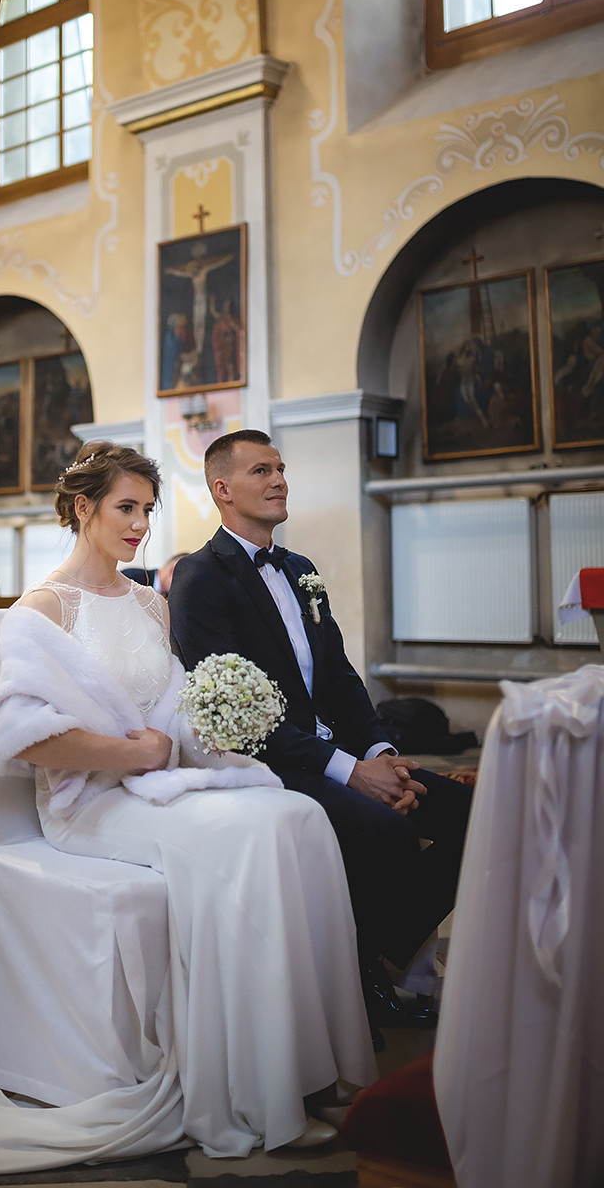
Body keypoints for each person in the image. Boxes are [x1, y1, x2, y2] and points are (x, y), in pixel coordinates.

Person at [0, 441, 375, 1177]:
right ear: (83, 508)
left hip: (161, 785)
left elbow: (171, 714)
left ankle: (304, 1074)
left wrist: (214, 723)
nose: (141, 524)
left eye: (148, 509)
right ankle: (249, 1095)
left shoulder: (152, 602)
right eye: (126, 508)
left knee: (297, 817)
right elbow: (20, 740)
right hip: (89, 802)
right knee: (244, 839)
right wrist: (131, 755)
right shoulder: (41, 611)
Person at [168, 430, 473, 1044]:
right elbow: (239, 715)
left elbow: (339, 676)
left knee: (473, 813)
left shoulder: (300, 569)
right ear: (222, 489)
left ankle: (363, 957)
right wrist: (351, 771)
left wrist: (381, 754)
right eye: (261, 471)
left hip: (337, 751)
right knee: (387, 833)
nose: (279, 480)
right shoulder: (201, 577)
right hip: (270, 762)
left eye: (280, 468)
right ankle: (358, 980)